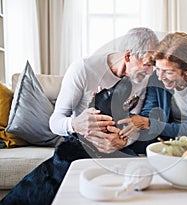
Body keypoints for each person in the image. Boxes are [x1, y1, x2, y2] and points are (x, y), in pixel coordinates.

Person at [0, 27, 159, 205]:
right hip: (79, 146)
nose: (151, 72)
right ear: (129, 56)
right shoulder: (83, 69)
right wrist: (76, 124)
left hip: (115, 151)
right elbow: (55, 121)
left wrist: (124, 140)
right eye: (148, 64)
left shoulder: (142, 79)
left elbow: (133, 125)